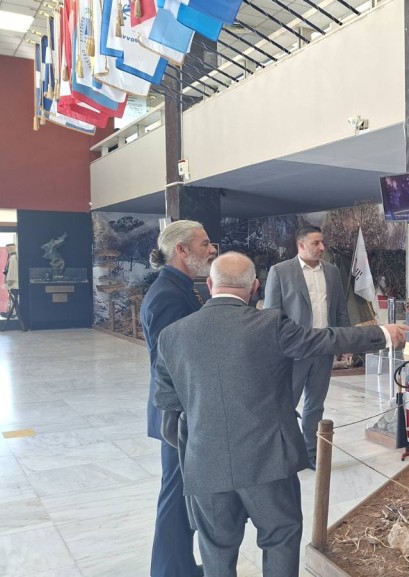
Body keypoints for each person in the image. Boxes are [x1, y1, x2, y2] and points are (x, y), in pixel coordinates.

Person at [153, 252, 409, 577]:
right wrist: (383, 333)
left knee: (216, 552)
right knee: (280, 540)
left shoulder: (171, 336)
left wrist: (200, 448)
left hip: (206, 468)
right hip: (268, 462)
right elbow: (325, 339)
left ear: (210, 284)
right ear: (254, 287)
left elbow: (169, 420)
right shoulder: (269, 325)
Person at [140, 219, 217, 577]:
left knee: (183, 494)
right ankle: (168, 571)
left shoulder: (184, 288)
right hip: (177, 415)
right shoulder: (168, 295)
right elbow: (169, 365)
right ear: (181, 250)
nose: (211, 250)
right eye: (204, 244)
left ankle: (180, 567)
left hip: (183, 413)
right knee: (175, 496)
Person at [264, 225, 352, 468]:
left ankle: (312, 454)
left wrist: (344, 342)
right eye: (316, 243)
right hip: (293, 351)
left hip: (324, 348)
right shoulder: (280, 271)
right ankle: (283, 454)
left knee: (316, 405)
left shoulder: (332, 271)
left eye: (322, 242)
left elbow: (340, 310)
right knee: (286, 404)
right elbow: (272, 315)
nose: (322, 247)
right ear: (301, 245)